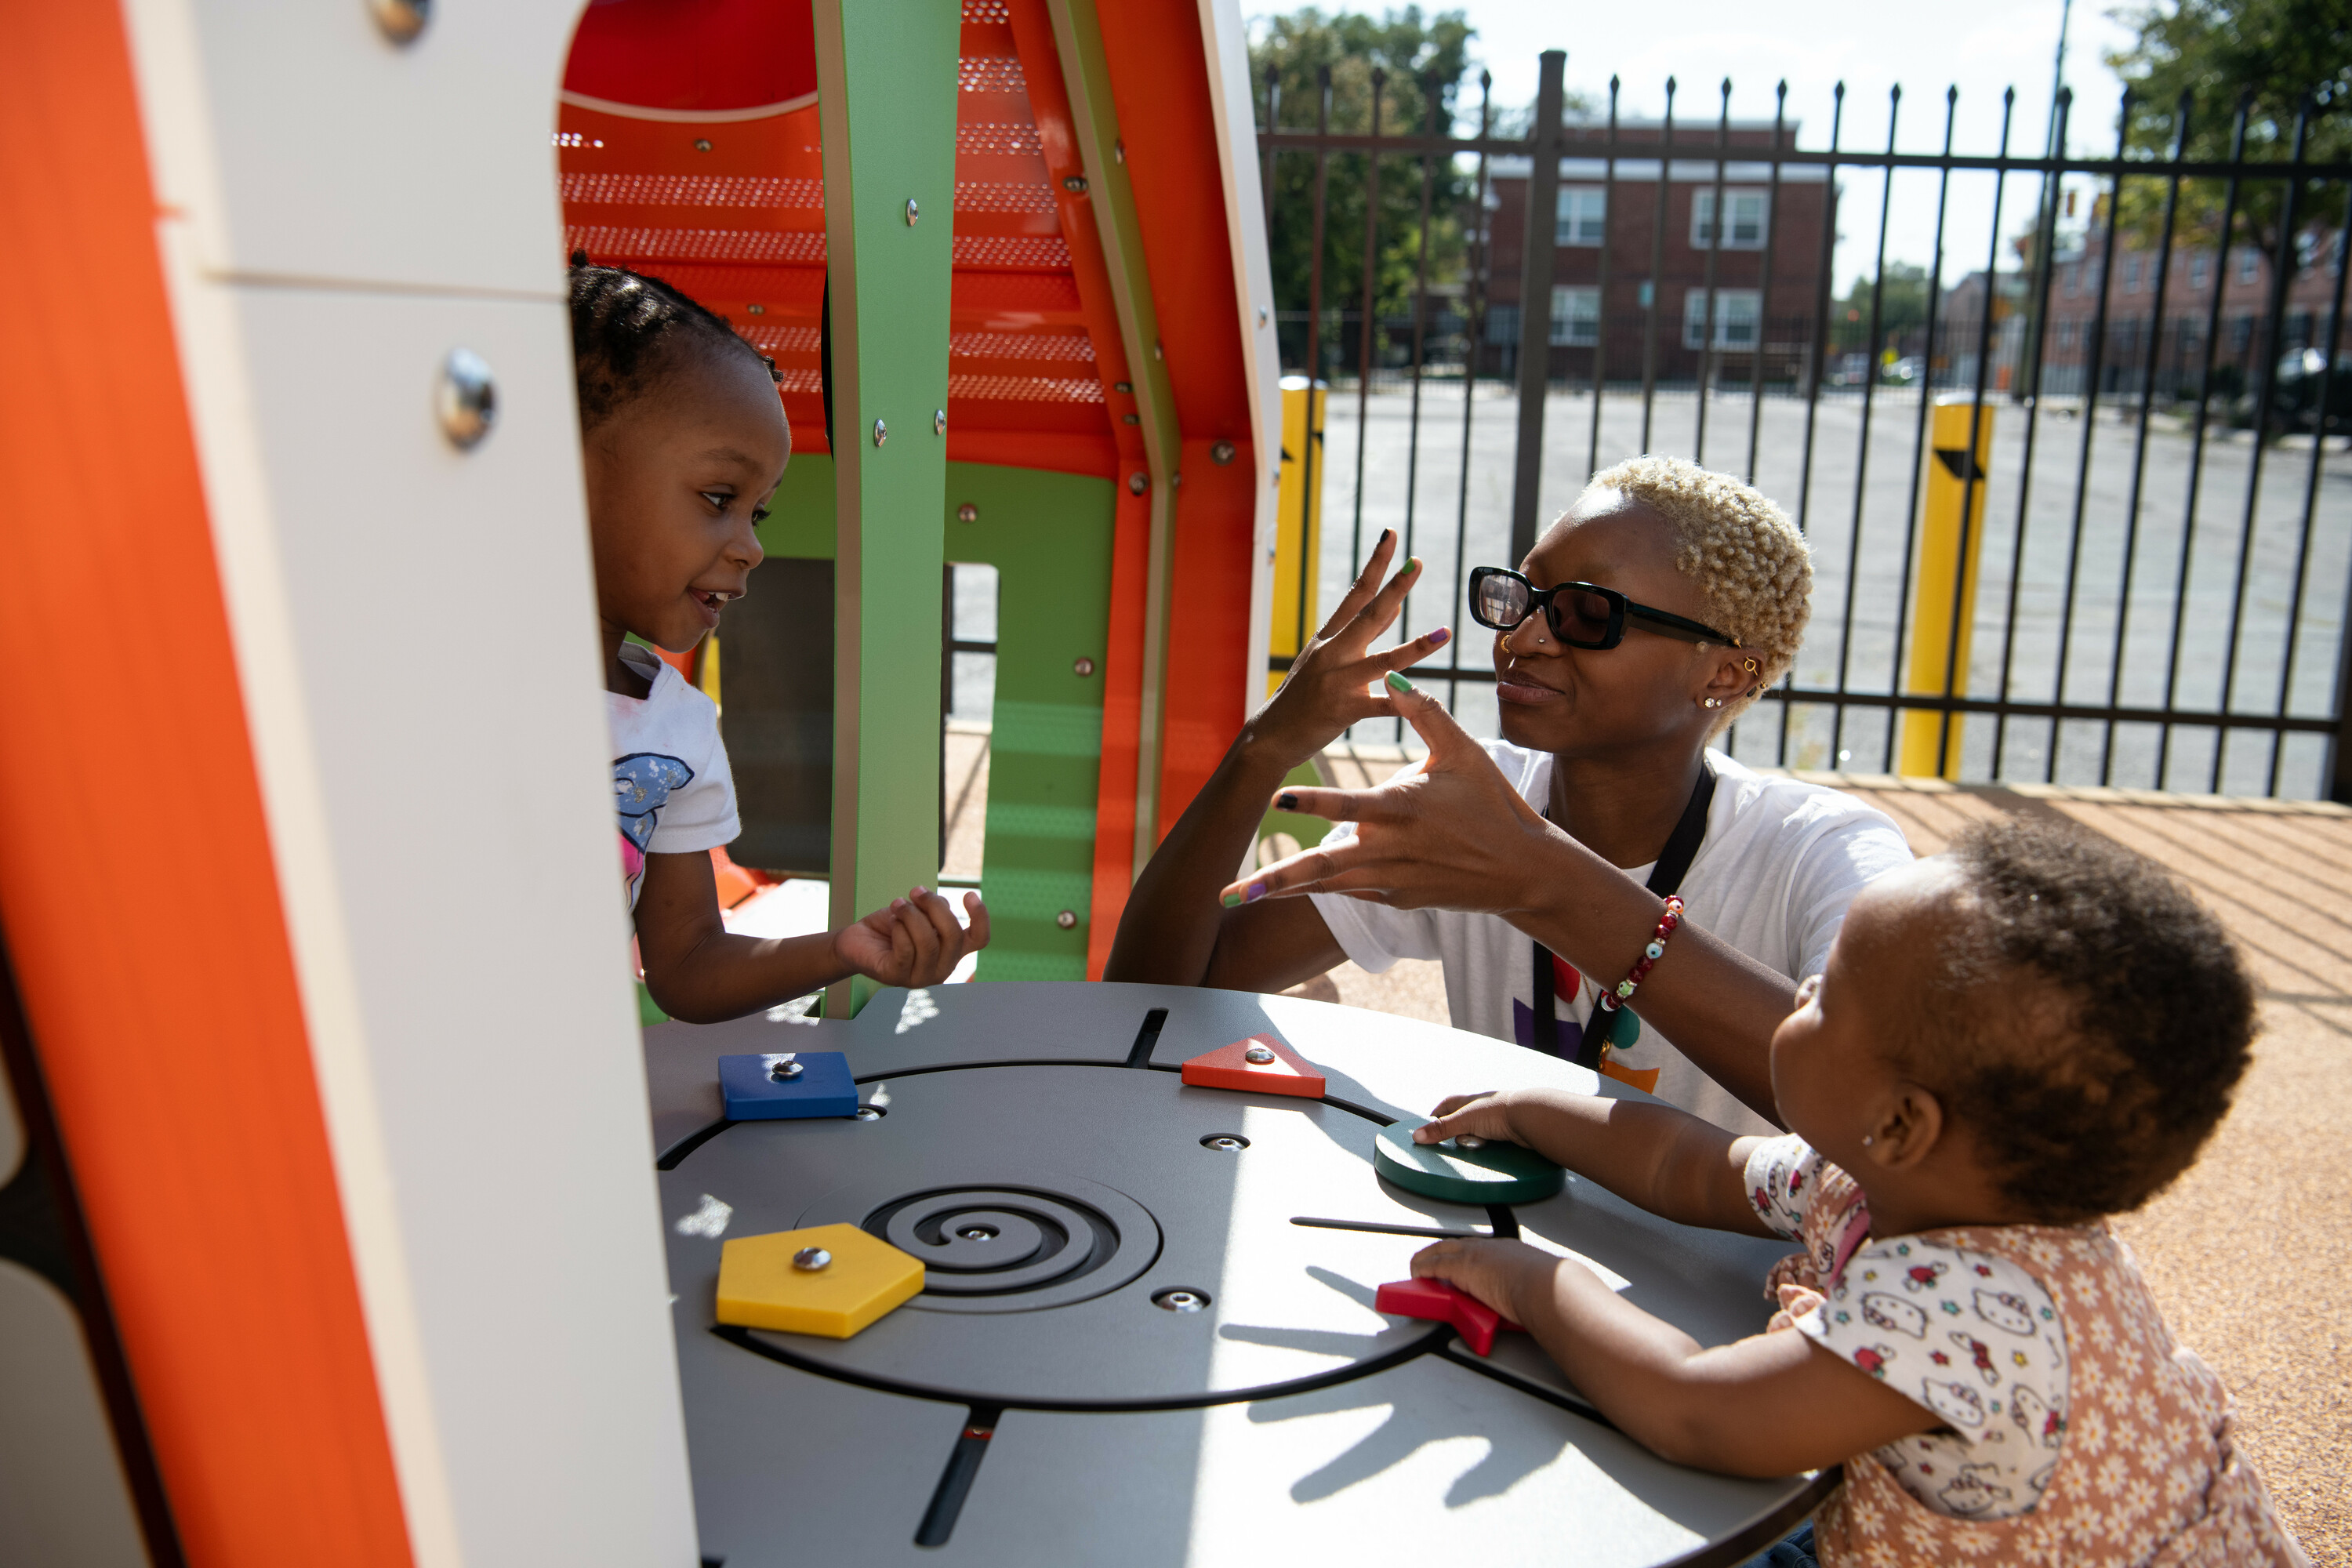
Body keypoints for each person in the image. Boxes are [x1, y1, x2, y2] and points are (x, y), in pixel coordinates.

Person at [1401, 818, 2303, 1564]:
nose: (1796, 988)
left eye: (1828, 996)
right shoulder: (1885, 1178)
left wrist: (1535, 1282)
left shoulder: (1977, 1313)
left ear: (1905, 1122)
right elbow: (1689, 1163)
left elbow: (1698, 1409)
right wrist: (1533, 1110)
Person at [1108, 457, 1911, 1133]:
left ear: (1726, 669)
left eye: (1586, 615)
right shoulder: (1463, 807)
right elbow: (1158, 990)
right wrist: (1264, 748)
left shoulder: (1821, 849)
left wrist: (1540, 877)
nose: (1521, 639)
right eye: (1521, 597)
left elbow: (1876, 1106)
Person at [572, 260, 987, 1022]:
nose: (750, 546)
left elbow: (688, 960)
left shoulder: (679, 731)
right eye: (719, 498)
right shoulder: (433, 677)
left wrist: (844, 949)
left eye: (757, 514)